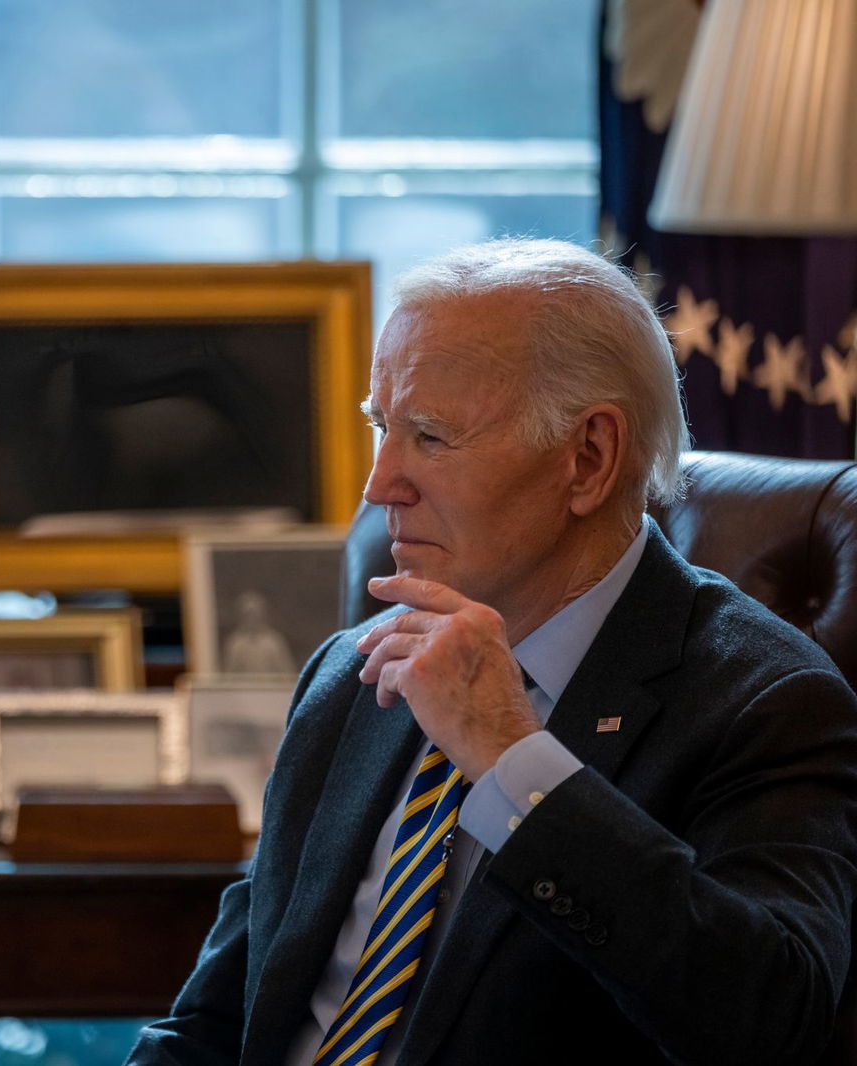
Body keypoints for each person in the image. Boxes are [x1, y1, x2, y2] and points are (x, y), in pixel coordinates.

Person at [127, 239, 857, 1066]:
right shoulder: (347, 672)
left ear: (588, 460)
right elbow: (219, 1021)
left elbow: (773, 1026)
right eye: (382, 427)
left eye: (431, 437)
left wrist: (516, 761)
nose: (380, 485)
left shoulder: (770, 702)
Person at [220, 589, 296, 675]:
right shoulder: (235, 644)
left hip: (270, 688)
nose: (252, 619)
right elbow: (229, 676)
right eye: (248, 615)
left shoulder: (274, 642)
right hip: (244, 688)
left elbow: (286, 674)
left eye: (255, 614)